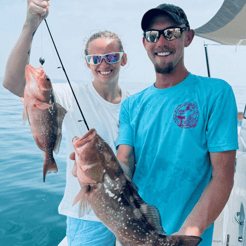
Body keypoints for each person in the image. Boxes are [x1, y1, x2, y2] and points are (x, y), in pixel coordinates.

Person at [2, 0, 129, 245]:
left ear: (123, 60)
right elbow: (12, 82)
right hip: (88, 216)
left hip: (127, 209)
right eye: (96, 58)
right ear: (87, 62)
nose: (104, 63)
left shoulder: (136, 104)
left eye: (112, 56)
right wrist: (30, 25)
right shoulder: (67, 95)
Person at [116, 4, 238, 246]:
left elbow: (223, 175)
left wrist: (187, 232)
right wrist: (96, 170)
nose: (161, 42)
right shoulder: (131, 105)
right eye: (153, 35)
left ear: (188, 37)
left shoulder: (216, 93)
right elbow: (125, 161)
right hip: (135, 234)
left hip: (186, 238)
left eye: (171, 33)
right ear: (144, 43)